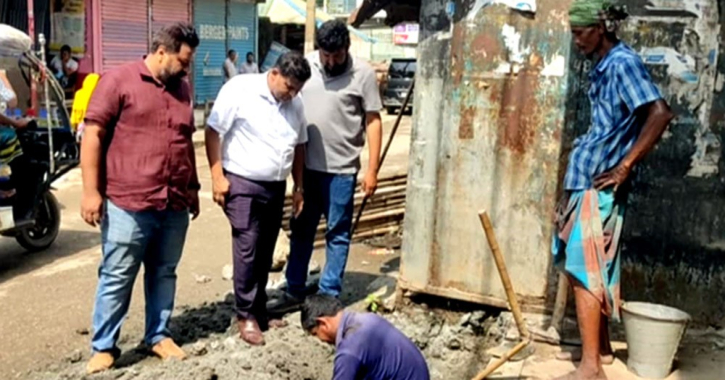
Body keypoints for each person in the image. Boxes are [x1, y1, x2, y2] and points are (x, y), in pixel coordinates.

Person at [553, 2, 674, 379]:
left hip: (598, 182)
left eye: (580, 32)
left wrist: (625, 166)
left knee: (585, 268)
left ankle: (590, 368)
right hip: (585, 179)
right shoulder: (603, 67)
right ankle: (601, 350)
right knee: (591, 266)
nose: (576, 41)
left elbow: (659, 112)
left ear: (601, 27)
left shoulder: (622, 63)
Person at [80, 22, 201, 374]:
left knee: (164, 272)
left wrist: (192, 188)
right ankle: (104, 347)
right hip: (127, 203)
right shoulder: (117, 81)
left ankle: (158, 336)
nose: (186, 68)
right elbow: (93, 136)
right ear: (161, 52)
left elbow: (184, 142)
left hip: (174, 202)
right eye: (183, 60)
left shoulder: (183, 89)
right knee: (118, 274)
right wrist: (90, 192)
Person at [269, 20, 383, 314]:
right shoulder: (307, 68)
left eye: (336, 56)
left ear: (347, 48)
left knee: (337, 232)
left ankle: (329, 293)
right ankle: (294, 288)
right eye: (325, 55)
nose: (330, 62)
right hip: (307, 169)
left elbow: (372, 120)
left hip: (343, 171)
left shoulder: (364, 74)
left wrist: (372, 170)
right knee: (302, 229)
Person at [205, 52, 311, 346]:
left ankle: (259, 309)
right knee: (247, 247)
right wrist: (217, 177)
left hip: (275, 186)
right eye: (289, 87)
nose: (292, 94)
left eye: (298, 89)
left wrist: (298, 185)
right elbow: (213, 132)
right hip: (242, 182)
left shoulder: (296, 103)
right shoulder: (241, 89)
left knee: (265, 250)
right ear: (274, 73)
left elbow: (300, 146)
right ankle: (245, 315)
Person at [301, 295, 430, 380]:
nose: (320, 340)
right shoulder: (368, 319)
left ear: (323, 323)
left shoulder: (350, 350)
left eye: (315, 334)